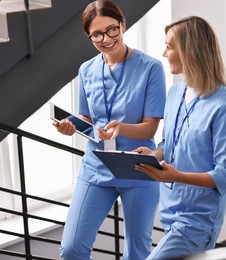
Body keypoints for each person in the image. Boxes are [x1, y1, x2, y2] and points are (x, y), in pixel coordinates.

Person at [53, 1, 166, 259]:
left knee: (137, 252)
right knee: (71, 249)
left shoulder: (151, 68)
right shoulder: (86, 69)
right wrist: (72, 126)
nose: (106, 39)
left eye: (112, 30)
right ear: (89, 36)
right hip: (96, 165)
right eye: (97, 34)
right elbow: (87, 118)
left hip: (138, 166)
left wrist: (121, 128)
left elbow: (151, 126)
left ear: (123, 24)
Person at [134, 16, 226, 259]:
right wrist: (154, 154)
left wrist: (176, 176)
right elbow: (168, 144)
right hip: (170, 211)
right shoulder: (174, 93)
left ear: (189, 50)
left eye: (169, 46)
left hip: (198, 221)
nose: (164, 53)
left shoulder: (225, 107)